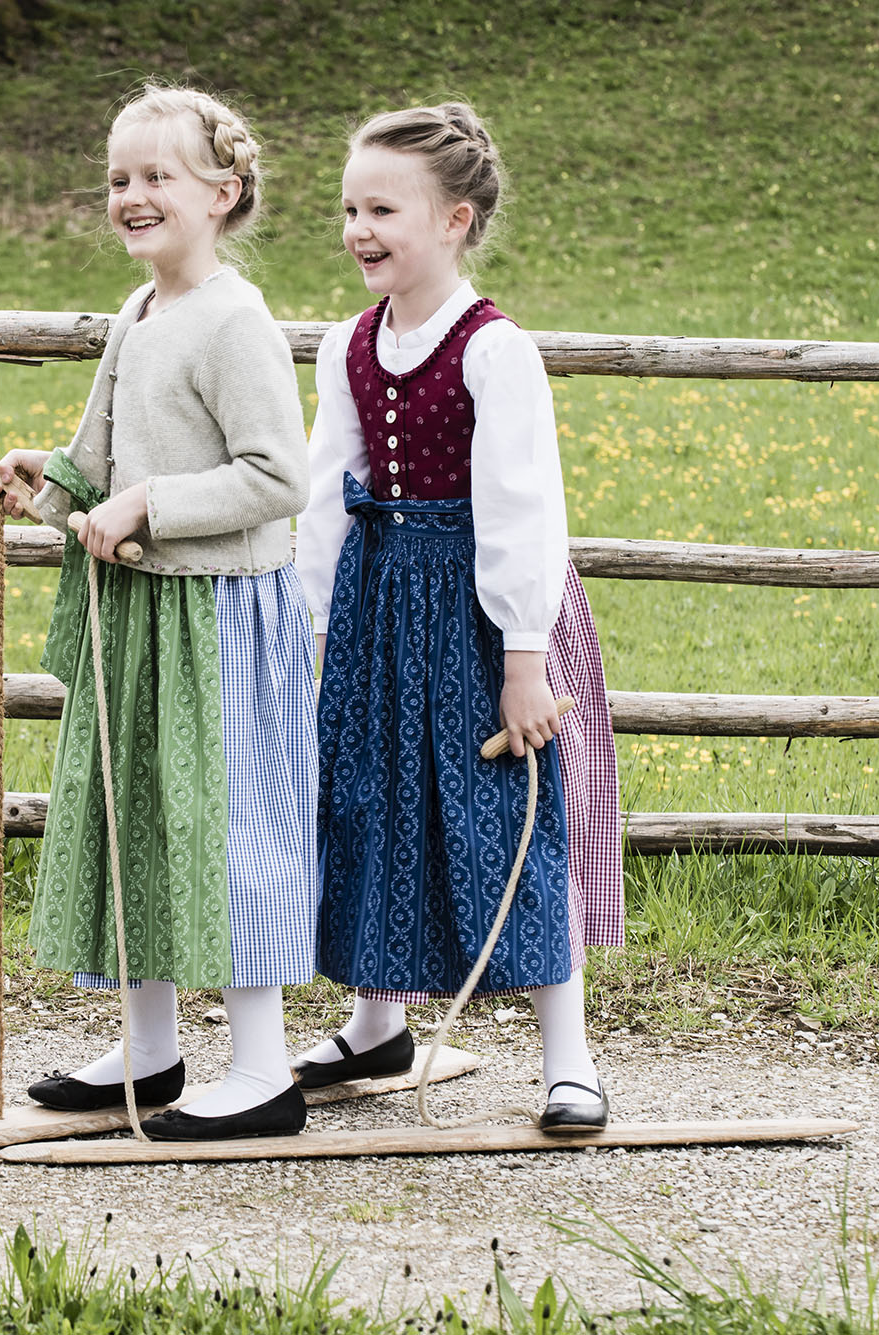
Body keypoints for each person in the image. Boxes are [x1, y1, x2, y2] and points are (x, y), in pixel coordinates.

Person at [0, 85, 316, 1142]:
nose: (131, 195)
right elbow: (103, 461)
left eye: (157, 176)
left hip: (218, 619)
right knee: (136, 819)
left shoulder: (235, 320)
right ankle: (152, 1048)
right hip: (139, 609)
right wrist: (49, 483)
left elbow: (279, 476)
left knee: (228, 827)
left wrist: (147, 506)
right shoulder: (139, 312)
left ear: (223, 193)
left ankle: (262, 1071)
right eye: (119, 178)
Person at [292, 101, 624, 1129]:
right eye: (350, 208)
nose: (358, 229)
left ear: (455, 221)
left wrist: (524, 662)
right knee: (371, 803)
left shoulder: (493, 350)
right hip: (380, 608)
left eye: (382, 209)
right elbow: (327, 490)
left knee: (506, 818)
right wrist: (319, 629)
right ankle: (375, 1023)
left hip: (485, 617)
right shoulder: (349, 344)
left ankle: (567, 1057)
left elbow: (523, 510)